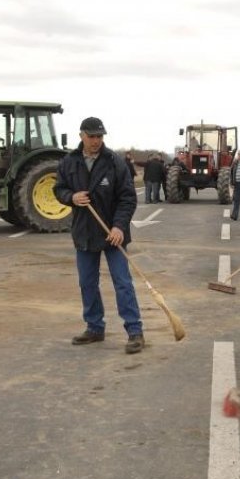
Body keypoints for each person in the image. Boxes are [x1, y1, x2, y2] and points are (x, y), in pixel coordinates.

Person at [53, 116, 145, 354]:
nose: (96, 141)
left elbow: (127, 198)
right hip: (84, 233)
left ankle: (135, 331)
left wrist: (119, 227)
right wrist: (70, 198)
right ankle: (95, 327)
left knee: (123, 283)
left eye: (100, 136)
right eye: (91, 136)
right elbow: (59, 189)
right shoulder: (69, 162)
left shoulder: (114, 161)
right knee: (87, 283)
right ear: (81, 135)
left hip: (113, 234)